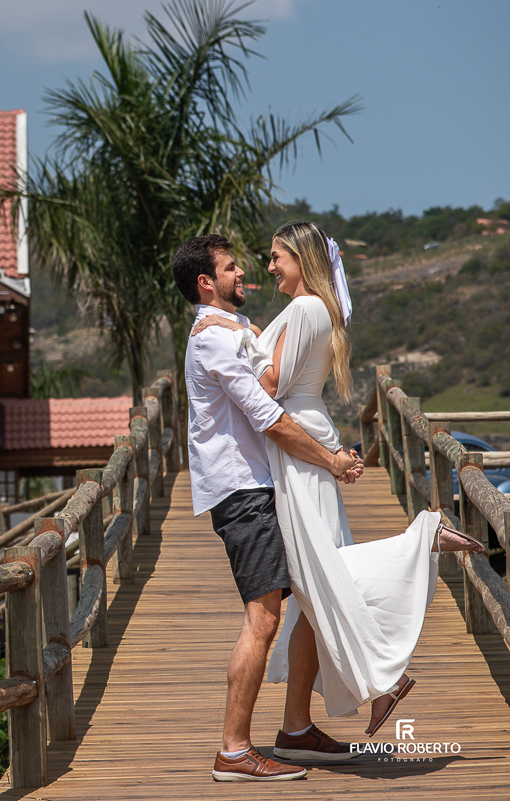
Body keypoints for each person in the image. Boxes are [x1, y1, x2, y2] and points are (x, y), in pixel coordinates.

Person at [192, 221, 485, 744]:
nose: (267, 266)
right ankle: (306, 721)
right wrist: (242, 333)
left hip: (297, 441)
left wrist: (236, 343)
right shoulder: (307, 310)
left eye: (277, 256)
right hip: (302, 437)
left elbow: (270, 385)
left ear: (302, 260)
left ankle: (420, 541)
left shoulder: (305, 309)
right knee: (313, 584)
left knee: (321, 569)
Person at [173, 233, 364, 782]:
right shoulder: (212, 340)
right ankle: (234, 750)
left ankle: (296, 729)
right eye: (231, 268)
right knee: (263, 618)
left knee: (306, 596)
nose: (245, 274)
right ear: (206, 282)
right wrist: (331, 460)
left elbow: (261, 356)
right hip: (242, 492)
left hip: (261, 485)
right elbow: (270, 418)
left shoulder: (228, 328)